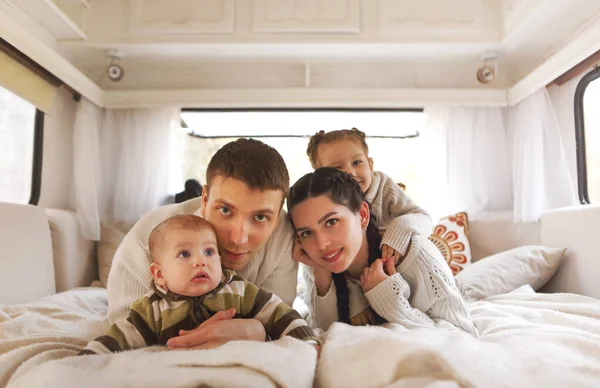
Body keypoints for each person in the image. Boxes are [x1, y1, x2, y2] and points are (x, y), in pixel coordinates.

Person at [107, 139, 297, 349]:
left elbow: (282, 323)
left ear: (278, 217)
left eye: (260, 217)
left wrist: (258, 332)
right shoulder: (147, 238)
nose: (238, 239)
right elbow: (121, 335)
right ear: (204, 199)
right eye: (225, 210)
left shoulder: (283, 236)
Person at [82, 215, 318, 355]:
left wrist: (307, 341)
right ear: (159, 274)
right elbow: (120, 336)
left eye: (208, 251)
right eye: (184, 254)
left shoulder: (238, 291)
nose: (200, 262)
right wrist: (87, 358)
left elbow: (279, 314)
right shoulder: (152, 310)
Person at [288, 167, 477, 336]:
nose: (321, 244)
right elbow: (326, 333)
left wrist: (389, 298)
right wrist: (322, 274)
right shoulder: (318, 262)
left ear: (362, 215)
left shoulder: (416, 255)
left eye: (331, 222)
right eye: (306, 232)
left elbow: (464, 335)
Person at [305, 128, 432, 264]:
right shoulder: (323, 203)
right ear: (321, 178)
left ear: (370, 165)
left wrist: (397, 231)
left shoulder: (384, 187)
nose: (350, 173)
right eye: (337, 169)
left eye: (357, 162)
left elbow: (424, 219)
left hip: (396, 262)